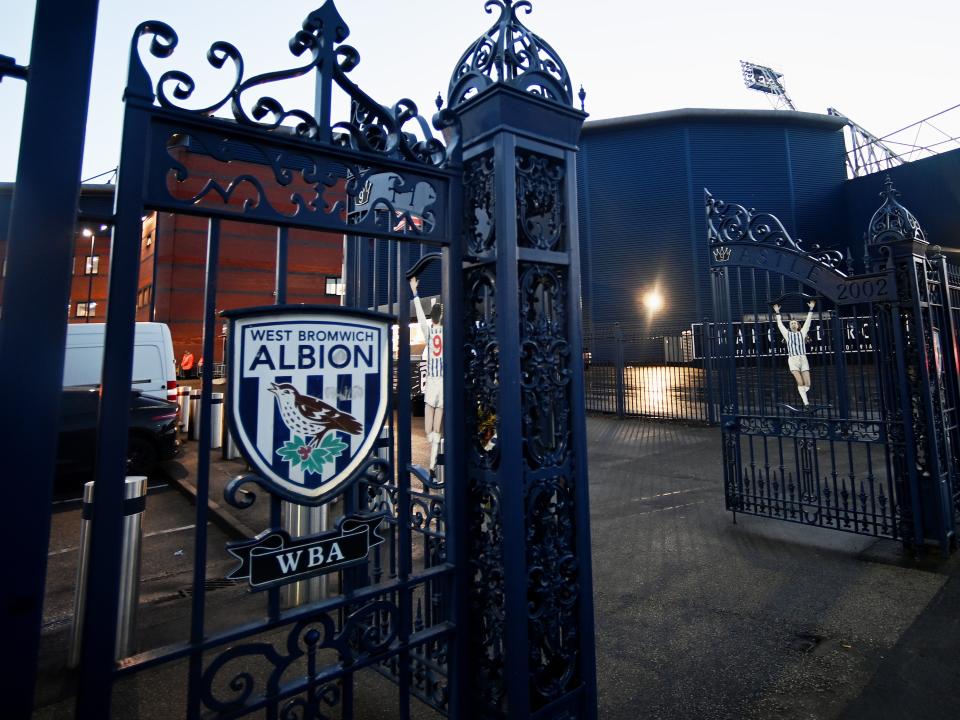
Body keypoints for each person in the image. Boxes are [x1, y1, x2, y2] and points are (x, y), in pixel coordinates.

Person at [410, 276, 443, 474]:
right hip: (442, 383)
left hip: (431, 382)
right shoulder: (447, 334)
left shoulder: (429, 332)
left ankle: (433, 451)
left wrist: (415, 292)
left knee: (429, 428)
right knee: (437, 427)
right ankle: (432, 463)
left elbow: (420, 315)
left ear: (433, 318)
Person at [773, 300, 816, 406]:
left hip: (803, 359)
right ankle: (806, 403)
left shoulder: (802, 333)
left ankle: (802, 393)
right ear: (790, 326)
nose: (793, 324)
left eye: (795, 323)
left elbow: (808, 322)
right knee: (800, 382)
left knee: (808, 384)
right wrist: (777, 312)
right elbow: (780, 325)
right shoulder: (787, 334)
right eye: (791, 323)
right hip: (793, 359)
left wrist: (811, 309)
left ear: (797, 325)